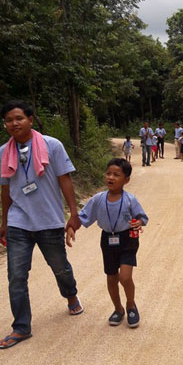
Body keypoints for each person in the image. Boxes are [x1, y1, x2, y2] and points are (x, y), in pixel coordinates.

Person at [0, 100, 83, 349]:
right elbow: (5, 189)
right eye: (8, 120)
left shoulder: (51, 145)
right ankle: (21, 327)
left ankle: (70, 295)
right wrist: (4, 221)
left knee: (60, 267)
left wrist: (73, 213)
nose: (14, 124)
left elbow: (64, 179)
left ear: (31, 120)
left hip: (48, 220)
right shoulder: (4, 151)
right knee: (16, 276)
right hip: (18, 221)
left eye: (19, 118)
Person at [68, 158, 148, 328]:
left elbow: (142, 217)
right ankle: (118, 309)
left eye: (116, 175)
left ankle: (131, 305)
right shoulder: (98, 199)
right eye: (109, 173)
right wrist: (72, 228)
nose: (111, 177)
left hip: (128, 240)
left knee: (125, 277)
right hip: (107, 240)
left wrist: (139, 222)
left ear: (126, 180)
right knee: (111, 277)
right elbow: (83, 217)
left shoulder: (130, 200)